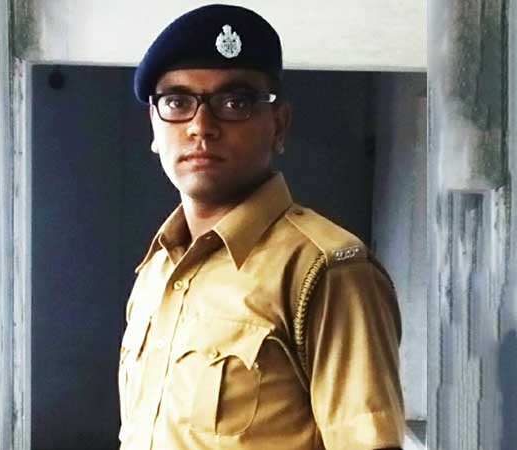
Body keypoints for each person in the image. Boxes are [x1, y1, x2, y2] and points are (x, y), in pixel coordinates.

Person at [118, 4, 404, 450]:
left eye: (234, 103)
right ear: (154, 126)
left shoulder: (325, 269)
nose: (201, 127)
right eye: (177, 102)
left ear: (278, 124)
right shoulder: (156, 271)